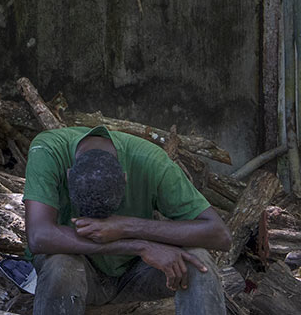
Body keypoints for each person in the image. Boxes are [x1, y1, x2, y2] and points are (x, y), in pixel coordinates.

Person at [22, 125, 232, 315]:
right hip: (81, 273)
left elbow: (219, 234)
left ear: (125, 178)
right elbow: (39, 236)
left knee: (197, 262)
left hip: (134, 274)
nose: (98, 229)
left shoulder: (152, 162)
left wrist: (126, 225)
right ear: (68, 176)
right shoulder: (48, 150)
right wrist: (139, 245)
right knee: (61, 266)